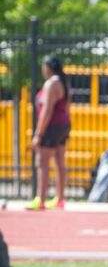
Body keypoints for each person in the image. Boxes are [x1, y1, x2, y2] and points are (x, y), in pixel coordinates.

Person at [26, 55, 71, 210]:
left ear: (49, 67)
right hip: (63, 124)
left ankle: (41, 199)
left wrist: (38, 134)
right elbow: (66, 106)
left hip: (52, 125)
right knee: (59, 161)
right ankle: (60, 198)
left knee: (42, 161)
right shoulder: (63, 82)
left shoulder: (52, 83)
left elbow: (47, 109)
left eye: (44, 66)